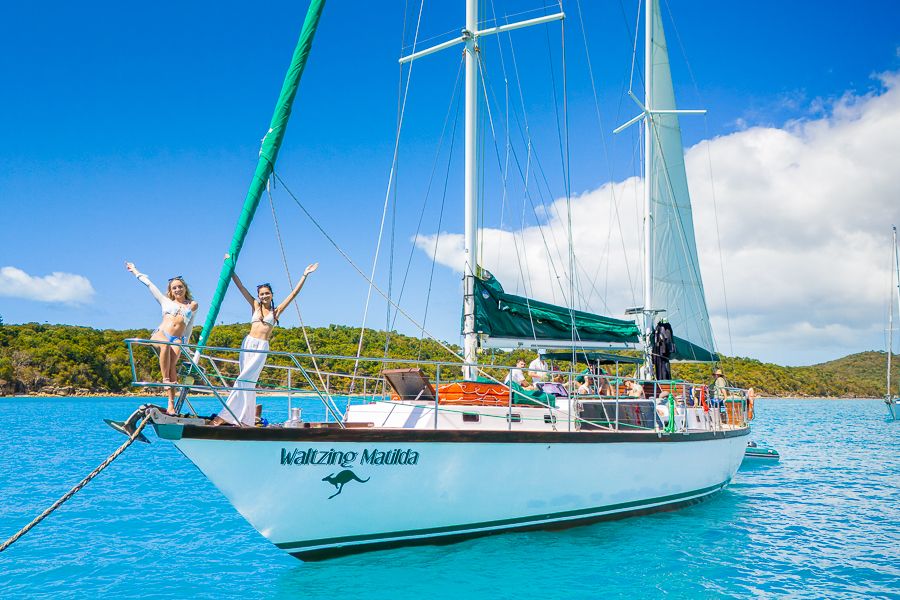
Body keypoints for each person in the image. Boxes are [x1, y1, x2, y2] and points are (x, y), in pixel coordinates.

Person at [211, 259, 318, 426]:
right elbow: (241, 288)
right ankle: (245, 419)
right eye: (261, 294)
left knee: (245, 379)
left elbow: (293, 294)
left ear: (272, 294)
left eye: (267, 293)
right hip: (248, 344)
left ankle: (224, 416)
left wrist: (304, 275)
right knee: (247, 382)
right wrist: (230, 269)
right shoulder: (255, 305)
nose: (264, 296)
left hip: (261, 346)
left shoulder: (276, 311)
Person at [126, 262, 198, 415]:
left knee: (172, 366)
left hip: (177, 338)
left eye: (180, 286)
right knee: (164, 346)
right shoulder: (165, 301)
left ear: (185, 288)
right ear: (170, 291)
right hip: (161, 333)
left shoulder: (192, 304)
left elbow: (189, 324)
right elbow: (149, 284)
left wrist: (187, 343)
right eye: (174, 288)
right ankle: (165, 379)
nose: (178, 289)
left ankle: (171, 405)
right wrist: (135, 271)